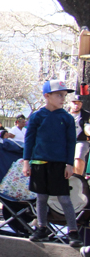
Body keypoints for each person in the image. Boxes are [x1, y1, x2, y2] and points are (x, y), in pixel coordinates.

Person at [23, 81, 81, 247]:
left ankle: (73, 231)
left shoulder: (67, 118)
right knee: (41, 197)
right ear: (47, 96)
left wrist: (69, 164)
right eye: (58, 95)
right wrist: (26, 162)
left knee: (64, 198)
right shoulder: (37, 116)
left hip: (59, 164)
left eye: (64, 95)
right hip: (39, 162)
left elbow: (71, 142)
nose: (62, 98)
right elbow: (29, 140)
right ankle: (42, 228)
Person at [70, 96, 89, 175]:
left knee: (79, 155)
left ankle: (78, 178)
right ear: (70, 103)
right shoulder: (63, 114)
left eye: (79, 103)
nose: (76, 106)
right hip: (65, 141)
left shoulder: (87, 115)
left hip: (81, 140)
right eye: (74, 103)